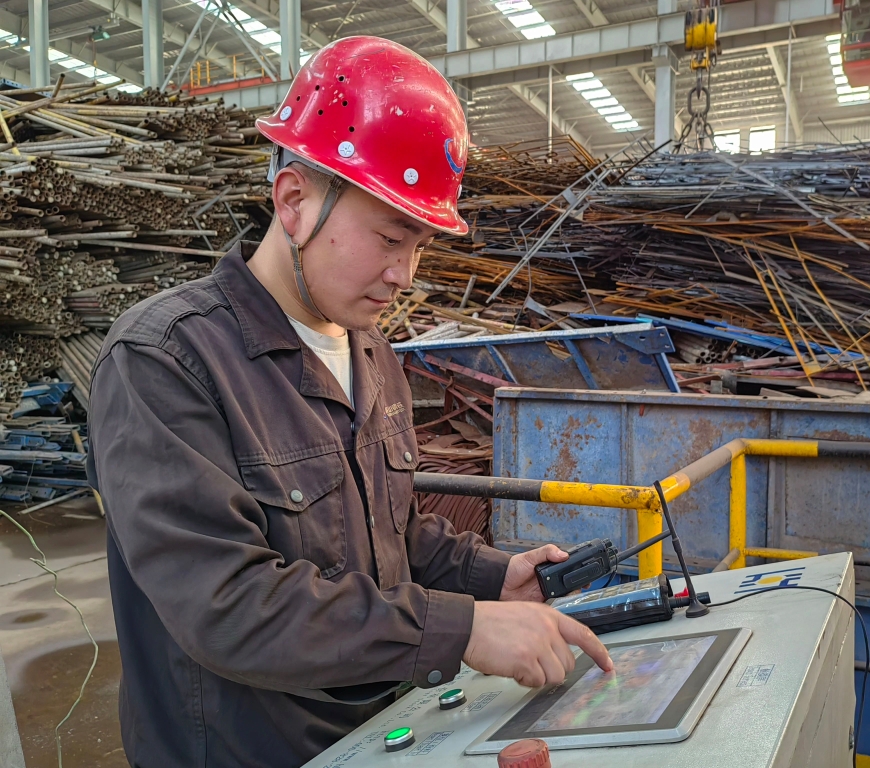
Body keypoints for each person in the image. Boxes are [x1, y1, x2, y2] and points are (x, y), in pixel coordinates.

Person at [87, 36, 612, 768]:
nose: (405, 274)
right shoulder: (166, 361)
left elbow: (388, 534)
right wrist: (459, 629)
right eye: (389, 237)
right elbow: (227, 605)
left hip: (377, 738)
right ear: (294, 201)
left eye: (420, 245)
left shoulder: (371, 354)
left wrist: (493, 577)